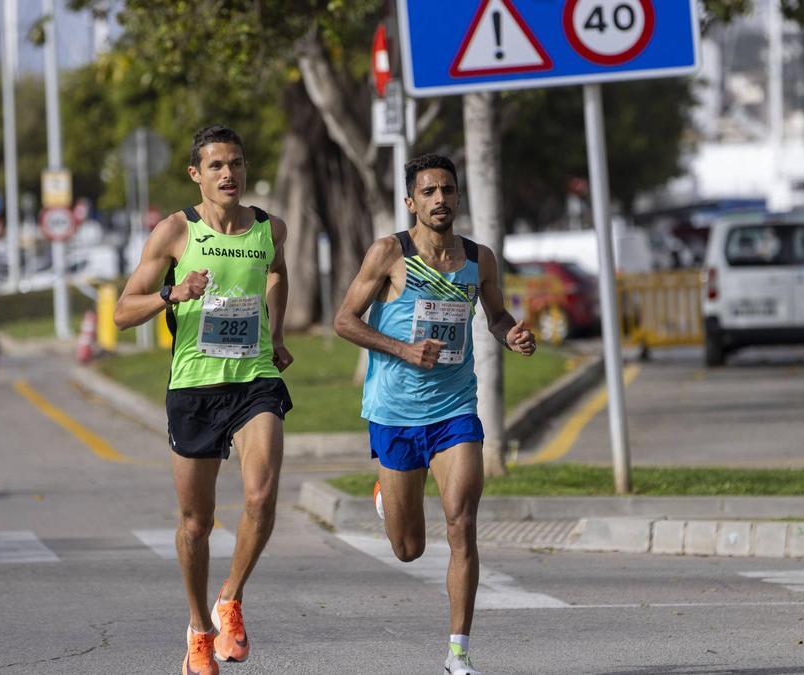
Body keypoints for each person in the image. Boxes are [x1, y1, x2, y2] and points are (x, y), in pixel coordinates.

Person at [334, 153, 536, 675]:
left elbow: (496, 316)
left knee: (461, 524)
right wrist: (402, 349)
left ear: (458, 197)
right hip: (395, 412)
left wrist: (511, 333)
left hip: (454, 409)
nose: (439, 199)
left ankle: (458, 653)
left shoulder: (478, 259)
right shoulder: (389, 254)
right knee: (407, 549)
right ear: (411, 202)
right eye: (428, 192)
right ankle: (386, 495)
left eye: (447, 190)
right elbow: (344, 321)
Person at [114, 125, 293, 675]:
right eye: (216, 165)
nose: (228, 174)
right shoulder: (174, 232)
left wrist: (277, 332)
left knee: (261, 497)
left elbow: (276, 272)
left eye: (235, 163)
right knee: (197, 522)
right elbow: (123, 311)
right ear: (197, 174)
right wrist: (172, 292)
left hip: (254, 381)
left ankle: (230, 599)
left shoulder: (268, 227)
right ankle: (198, 627)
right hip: (193, 387)